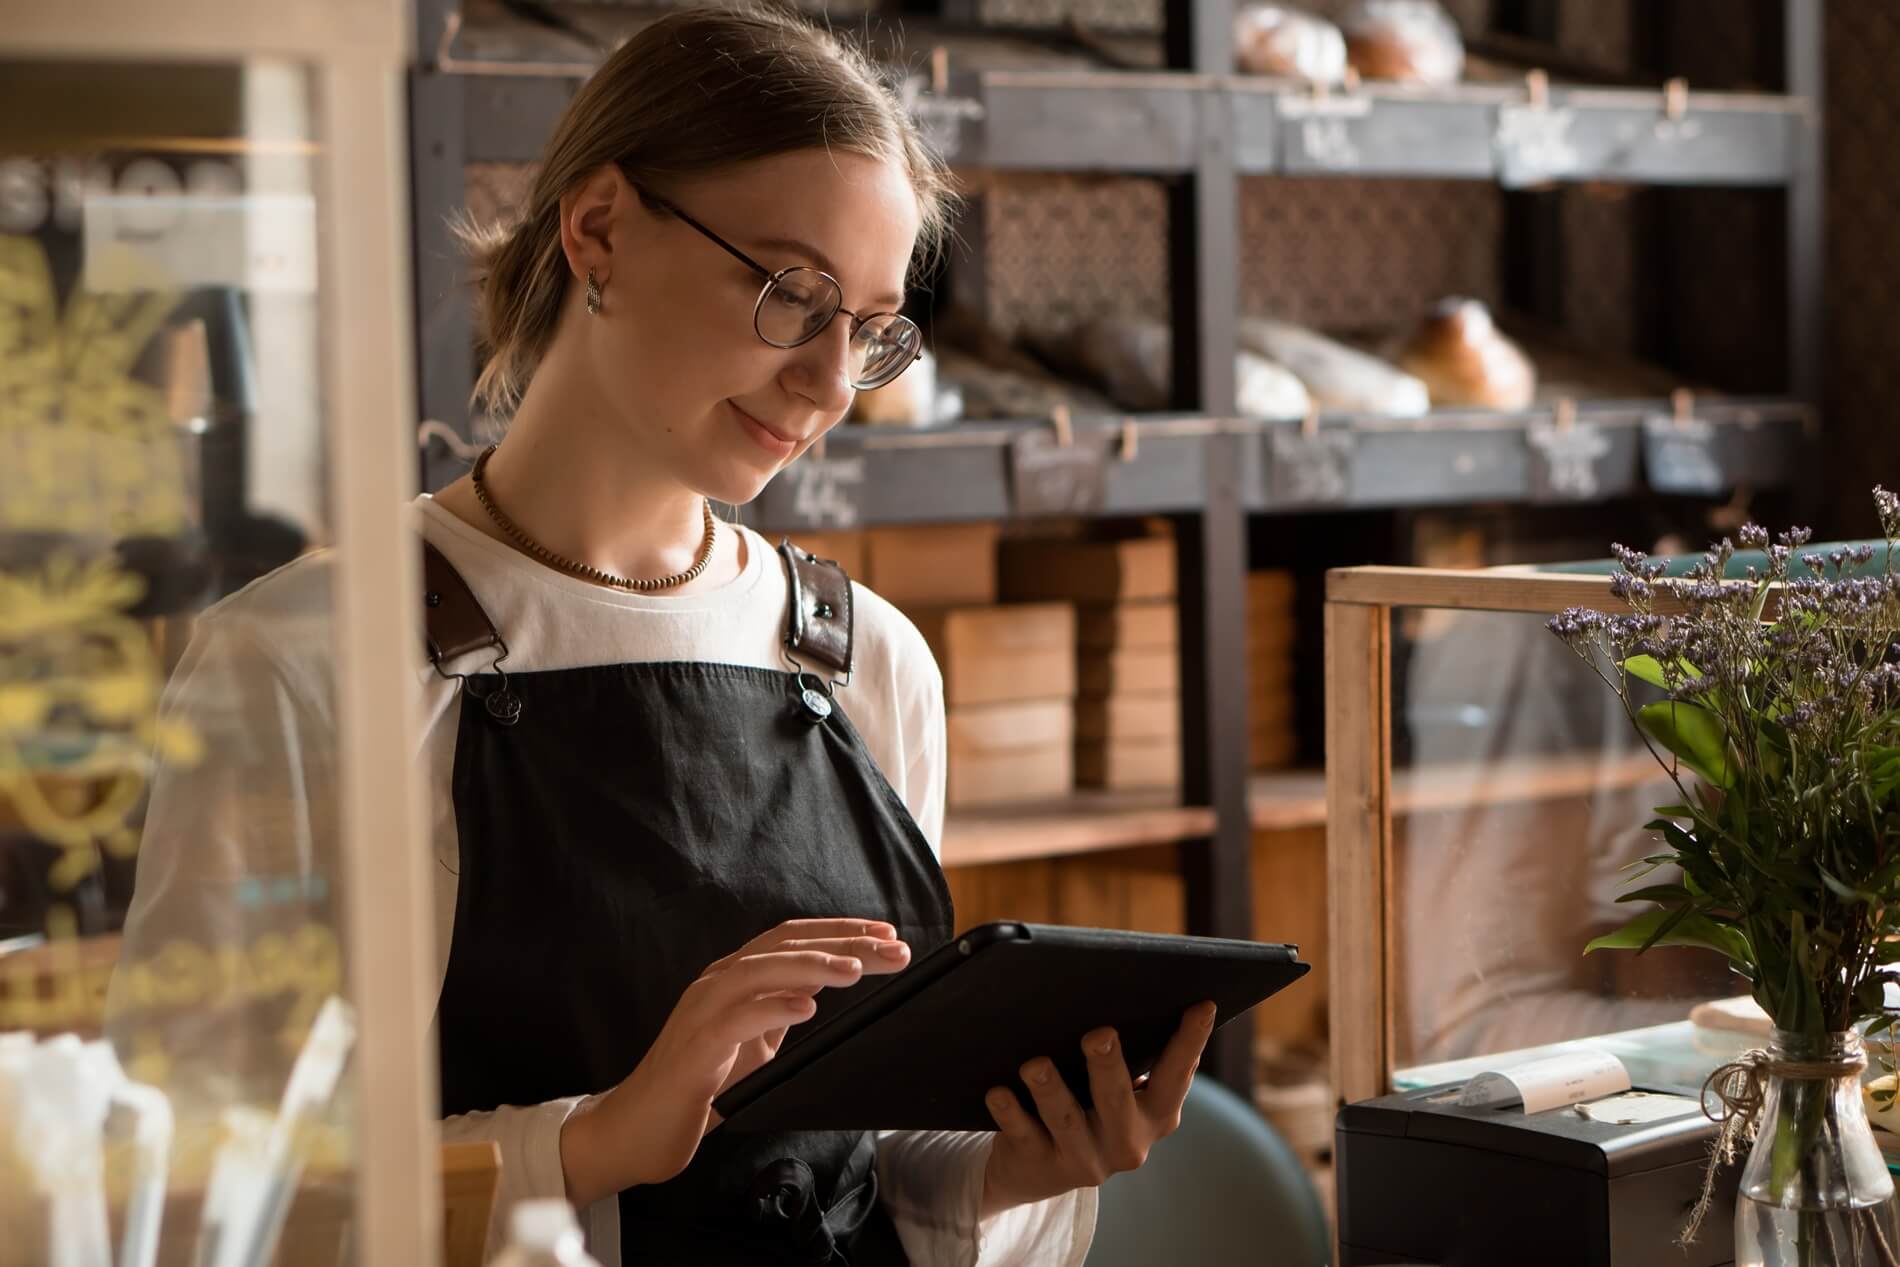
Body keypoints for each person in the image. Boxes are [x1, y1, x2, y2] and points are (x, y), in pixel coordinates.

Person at [112, 6, 1212, 1264]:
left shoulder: (869, 660)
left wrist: (1008, 1170)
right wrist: (595, 1140)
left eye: (869, 329)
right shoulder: (302, 663)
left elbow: (868, 1178)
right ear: (599, 230)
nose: (825, 386)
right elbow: (195, 1200)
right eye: (792, 294)